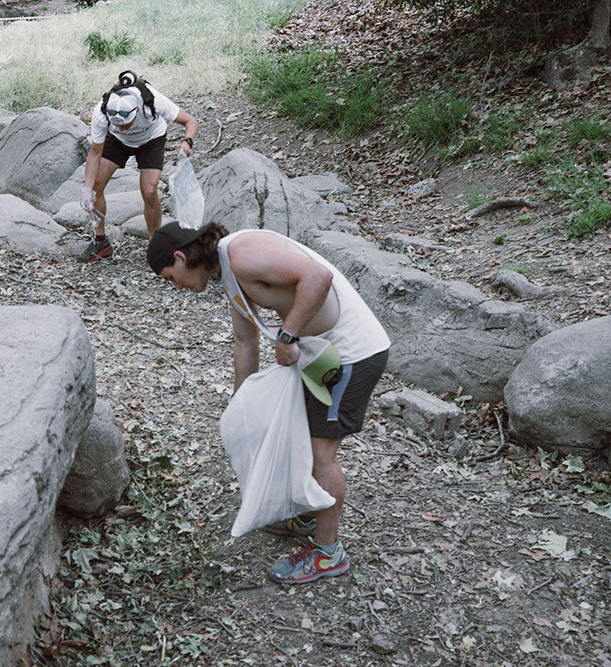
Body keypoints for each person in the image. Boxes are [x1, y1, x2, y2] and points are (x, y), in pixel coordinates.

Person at [146, 222, 391, 585]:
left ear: (181, 257)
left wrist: (288, 334)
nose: (176, 286)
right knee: (294, 431)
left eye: (171, 276)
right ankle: (305, 512)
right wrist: (243, 408)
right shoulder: (229, 273)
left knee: (321, 452)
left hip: (353, 352)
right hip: (322, 353)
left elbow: (317, 277)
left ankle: (328, 551)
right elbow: (245, 343)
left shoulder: (241, 255)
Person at [78, 71, 198, 262]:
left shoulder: (153, 100)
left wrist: (187, 142)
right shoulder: (102, 110)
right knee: (95, 186)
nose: (121, 127)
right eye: (117, 124)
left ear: (137, 110)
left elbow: (190, 121)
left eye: (125, 124)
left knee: (149, 191)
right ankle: (101, 242)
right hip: (117, 142)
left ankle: (156, 245)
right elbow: (95, 153)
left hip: (151, 139)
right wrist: (86, 189)